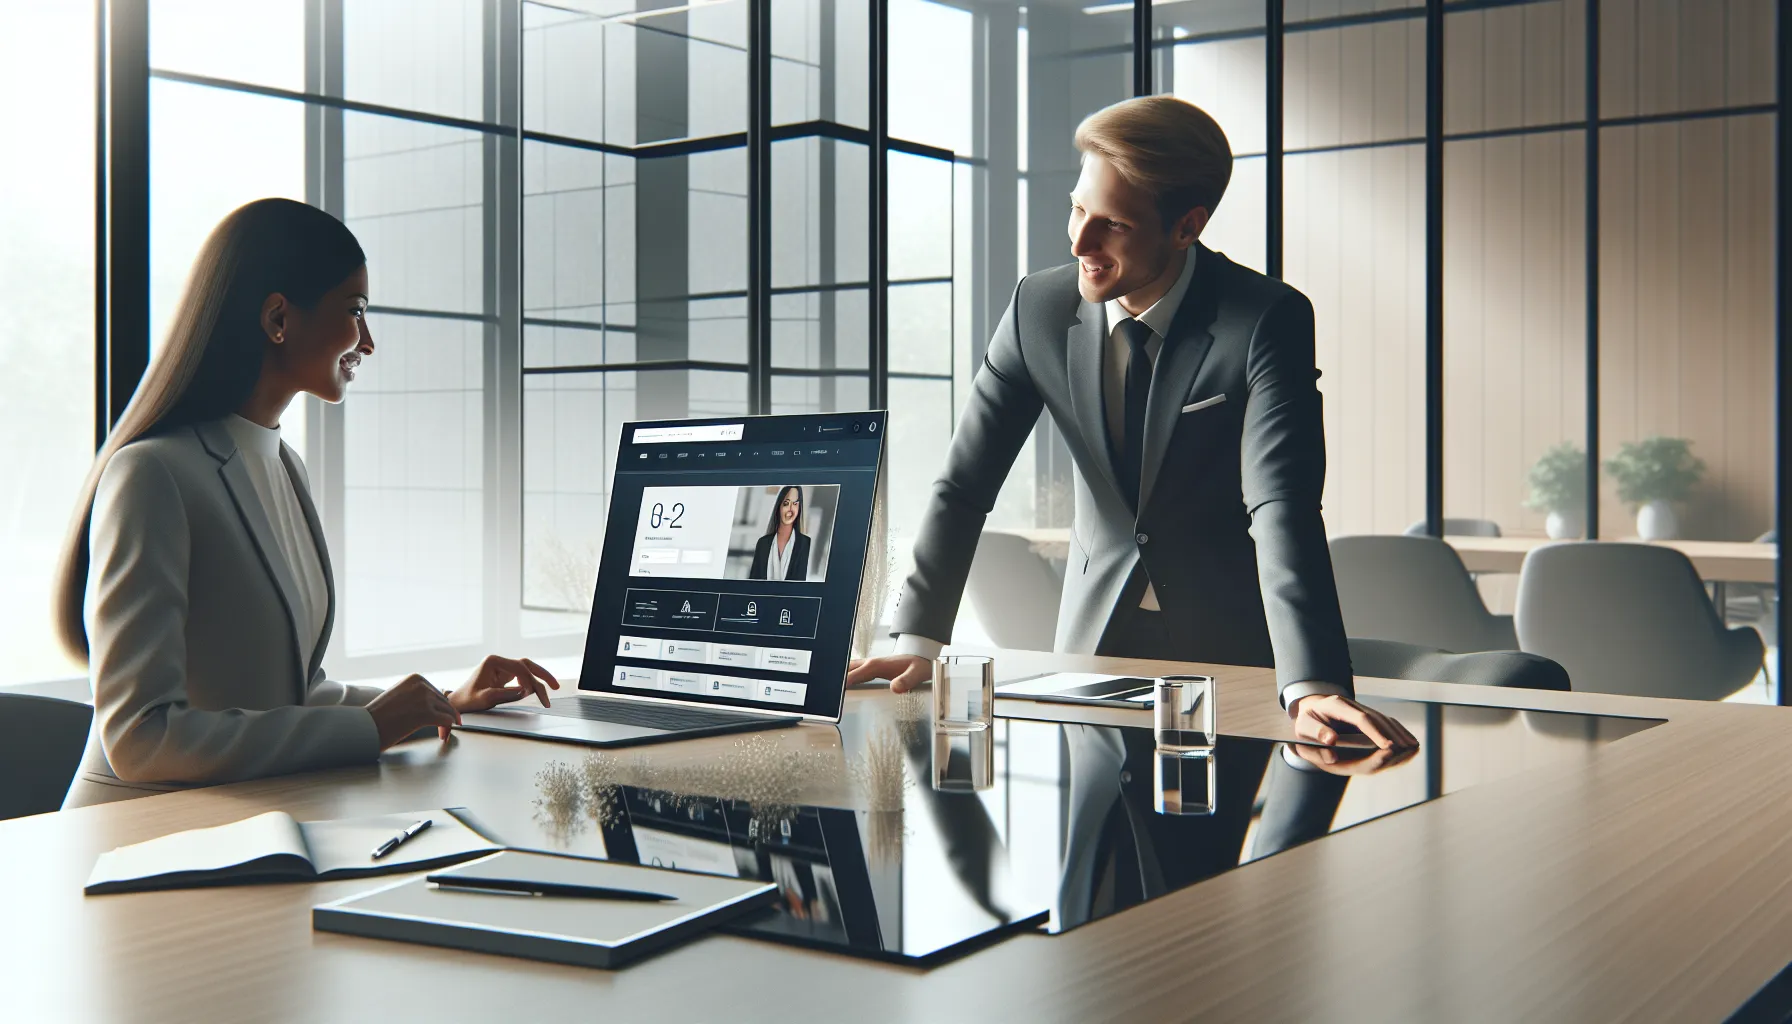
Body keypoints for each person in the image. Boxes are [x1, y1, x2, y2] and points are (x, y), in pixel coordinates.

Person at [847, 97, 1416, 750]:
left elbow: (1281, 504)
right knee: (1085, 848)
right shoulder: (1039, 307)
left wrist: (1313, 685)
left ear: (1185, 227)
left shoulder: (1265, 319)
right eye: (1077, 209)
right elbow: (963, 483)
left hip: (1231, 659)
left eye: (1112, 224)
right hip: (1091, 651)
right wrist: (918, 638)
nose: (1079, 242)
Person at [52, 198, 559, 806]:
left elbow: (292, 692)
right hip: (134, 839)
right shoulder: (153, 474)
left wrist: (438, 704)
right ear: (277, 318)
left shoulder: (286, 467)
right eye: (355, 311)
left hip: (254, 824)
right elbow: (141, 738)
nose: (367, 341)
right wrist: (372, 727)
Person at [747, 485, 811, 582]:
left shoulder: (805, 544)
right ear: (778, 507)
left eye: (795, 504)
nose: (790, 509)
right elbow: (752, 583)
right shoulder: (763, 543)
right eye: (786, 503)